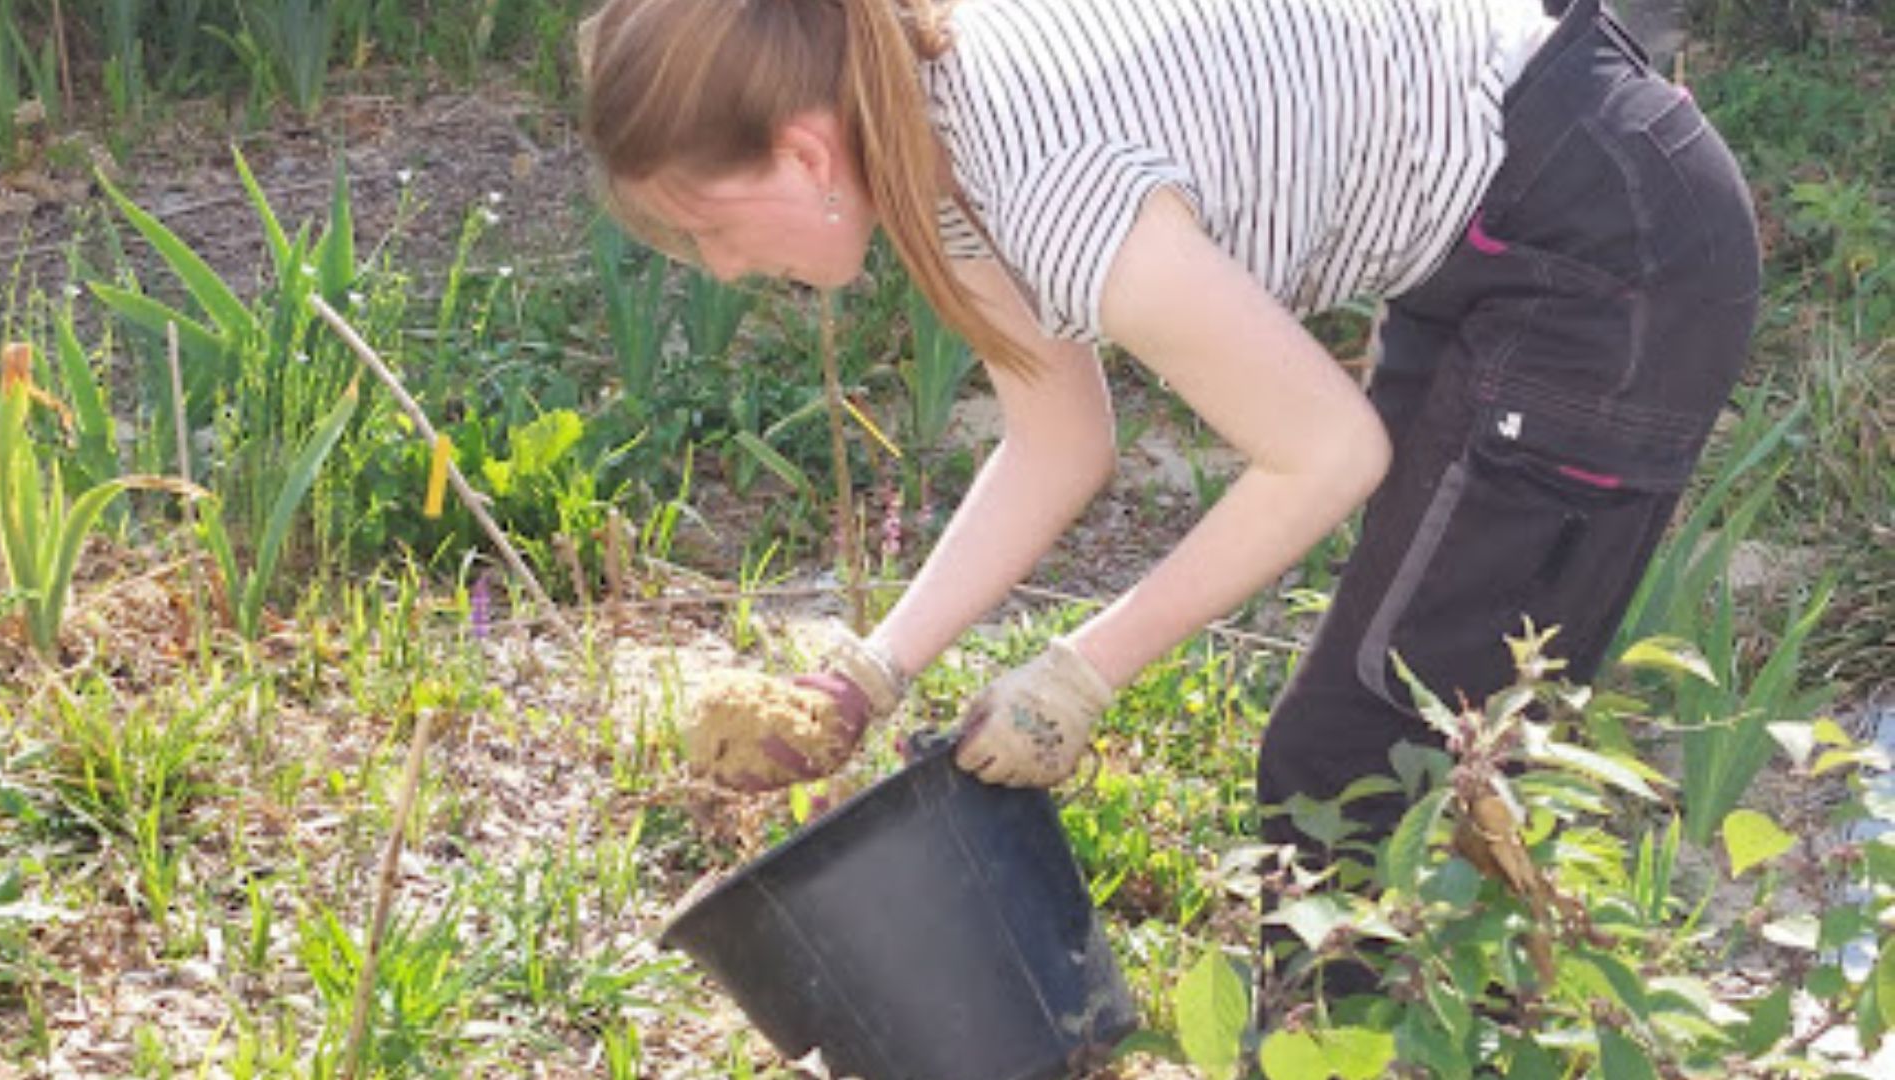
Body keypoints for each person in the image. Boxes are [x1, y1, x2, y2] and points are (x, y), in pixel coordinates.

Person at [578, 0, 1757, 967]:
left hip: (1605, 248)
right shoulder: (928, 135)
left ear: (801, 151)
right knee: (1412, 716)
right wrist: (868, 678)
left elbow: (1328, 452)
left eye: (706, 226)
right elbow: (1057, 442)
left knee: (1371, 767)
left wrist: (1081, 675)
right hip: (1500, 240)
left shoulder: (1039, 171)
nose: (722, 267)